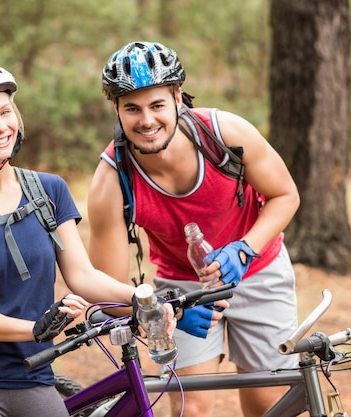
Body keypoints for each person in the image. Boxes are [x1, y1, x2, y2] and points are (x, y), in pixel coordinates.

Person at [0, 59, 174, 417]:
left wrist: (143, 298)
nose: (0, 127)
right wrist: (36, 328)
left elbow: (82, 276)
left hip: (33, 377)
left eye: (5, 112)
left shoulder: (49, 190)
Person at [87, 41, 300, 417]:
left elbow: (286, 195)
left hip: (259, 269)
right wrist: (166, 310)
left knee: (269, 405)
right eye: (132, 108)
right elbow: (106, 287)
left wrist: (244, 249)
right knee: (192, 407)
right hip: (181, 289)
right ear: (116, 110)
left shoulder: (225, 133)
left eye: (157, 105)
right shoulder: (111, 180)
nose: (146, 120)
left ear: (177, 97)